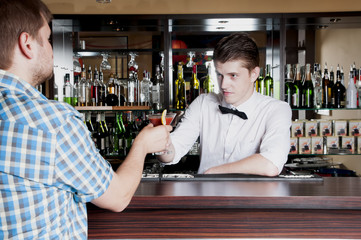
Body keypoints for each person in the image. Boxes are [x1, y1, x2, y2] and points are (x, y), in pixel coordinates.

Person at [0, 0, 172, 239]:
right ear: (27, 44)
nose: (51, 50)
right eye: (48, 39)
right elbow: (119, 196)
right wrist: (142, 144)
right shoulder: (53, 123)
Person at [158, 33, 292, 176]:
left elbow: (270, 164)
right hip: (207, 196)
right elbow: (174, 151)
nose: (223, 84)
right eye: (219, 74)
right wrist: (163, 146)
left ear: (254, 74)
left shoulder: (276, 109)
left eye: (233, 75)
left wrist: (213, 171)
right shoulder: (203, 103)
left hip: (251, 197)